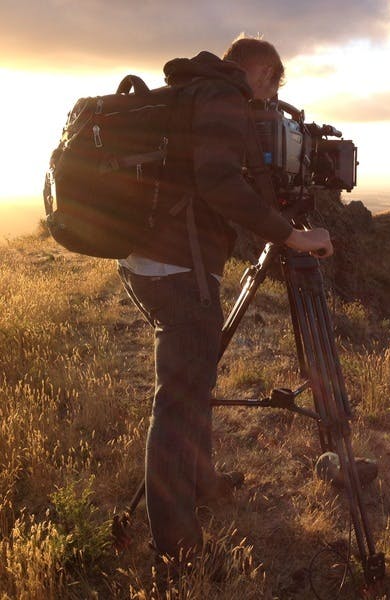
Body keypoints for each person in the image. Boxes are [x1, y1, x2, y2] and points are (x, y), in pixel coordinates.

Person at [117, 36, 332, 563]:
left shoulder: (195, 90)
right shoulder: (221, 96)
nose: (268, 98)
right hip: (176, 266)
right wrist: (289, 234)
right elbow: (217, 181)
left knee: (195, 379)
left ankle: (204, 482)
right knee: (178, 401)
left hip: (153, 261)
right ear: (263, 71)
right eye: (272, 84)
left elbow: (206, 176)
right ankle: (178, 550)